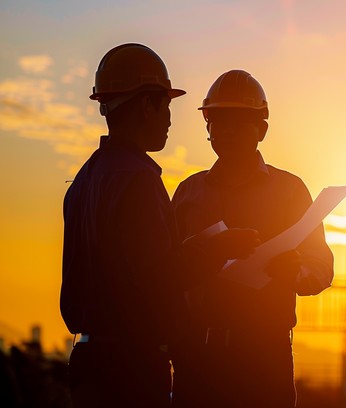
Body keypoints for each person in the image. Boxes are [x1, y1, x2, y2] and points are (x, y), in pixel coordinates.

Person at [61, 44, 259, 408]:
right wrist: (218, 247)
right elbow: (159, 276)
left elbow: (125, 268)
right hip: (130, 369)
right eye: (166, 105)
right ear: (147, 105)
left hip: (90, 365)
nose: (170, 119)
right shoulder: (138, 180)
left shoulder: (85, 180)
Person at [170, 70, 334, 408]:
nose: (227, 131)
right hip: (198, 360)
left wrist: (296, 272)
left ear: (261, 129)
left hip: (264, 361)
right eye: (219, 121)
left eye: (239, 121)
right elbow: (166, 271)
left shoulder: (289, 192)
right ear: (208, 128)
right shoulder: (189, 193)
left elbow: (321, 266)